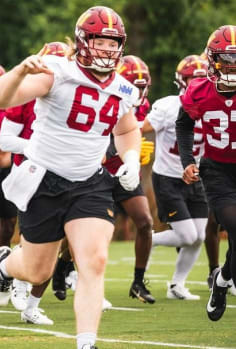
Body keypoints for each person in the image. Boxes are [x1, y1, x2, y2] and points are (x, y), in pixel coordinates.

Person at [0, 7, 141, 349]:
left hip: (90, 181)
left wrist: (130, 156)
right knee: (37, 271)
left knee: (95, 260)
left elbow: (127, 128)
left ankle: (86, 343)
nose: (106, 50)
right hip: (44, 179)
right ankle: (4, 264)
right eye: (100, 42)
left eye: (113, 43)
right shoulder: (57, 71)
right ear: (83, 41)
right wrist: (18, 71)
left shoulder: (123, 88)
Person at [0, 42, 69, 323]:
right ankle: (14, 276)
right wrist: (42, 146)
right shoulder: (26, 96)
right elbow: (4, 141)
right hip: (31, 174)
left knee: (59, 239)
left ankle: (32, 306)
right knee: (36, 240)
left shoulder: (79, 95)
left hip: (65, 173)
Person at [176, 24, 236, 322]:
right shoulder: (199, 90)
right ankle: (223, 279)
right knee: (234, 225)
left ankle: (222, 281)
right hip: (218, 171)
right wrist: (187, 159)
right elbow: (184, 123)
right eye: (227, 59)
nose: (233, 66)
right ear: (212, 60)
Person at [142, 54, 208, 300]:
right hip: (169, 178)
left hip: (196, 177)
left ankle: (176, 286)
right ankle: (149, 239)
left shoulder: (213, 102)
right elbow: (142, 127)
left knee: (199, 235)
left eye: (203, 79)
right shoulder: (168, 106)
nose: (198, 84)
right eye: (193, 79)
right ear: (182, 81)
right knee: (188, 235)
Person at [103, 54, 155, 303]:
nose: (140, 91)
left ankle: (138, 282)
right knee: (98, 231)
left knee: (145, 222)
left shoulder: (141, 105)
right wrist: (124, 152)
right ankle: (65, 266)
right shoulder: (105, 96)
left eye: (143, 87)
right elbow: (101, 139)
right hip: (99, 172)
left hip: (126, 172)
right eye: (136, 86)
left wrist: (135, 156)